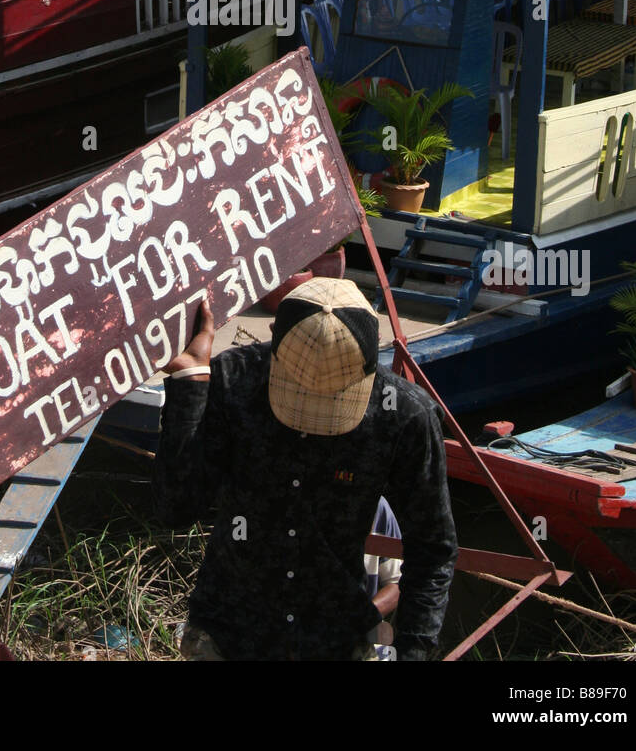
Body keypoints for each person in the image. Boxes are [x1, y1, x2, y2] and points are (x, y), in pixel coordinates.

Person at [153, 277, 457, 661]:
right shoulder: (234, 382)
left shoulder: (403, 415)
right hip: (226, 635)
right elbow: (175, 508)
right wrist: (188, 386)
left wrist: (414, 651)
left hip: (335, 640)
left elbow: (433, 548)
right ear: (275, 353)